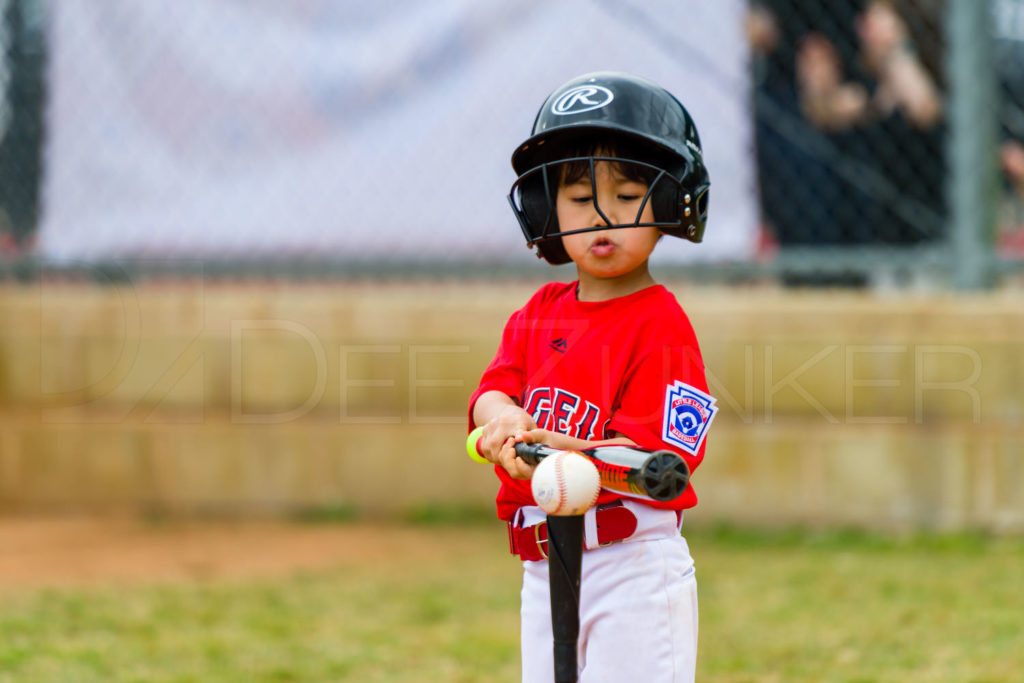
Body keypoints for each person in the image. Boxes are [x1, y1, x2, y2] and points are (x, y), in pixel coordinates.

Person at [467, 72, 716, 682]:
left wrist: (558, 451)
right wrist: (502, 420)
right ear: (545, 207)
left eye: (627, 195)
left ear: (669, 201)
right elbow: (492, 391)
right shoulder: (538, 312)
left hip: (631, 567)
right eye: (580, 199)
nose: (601, 218)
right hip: (544, 565)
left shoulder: (662, 327)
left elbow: (654, 465)